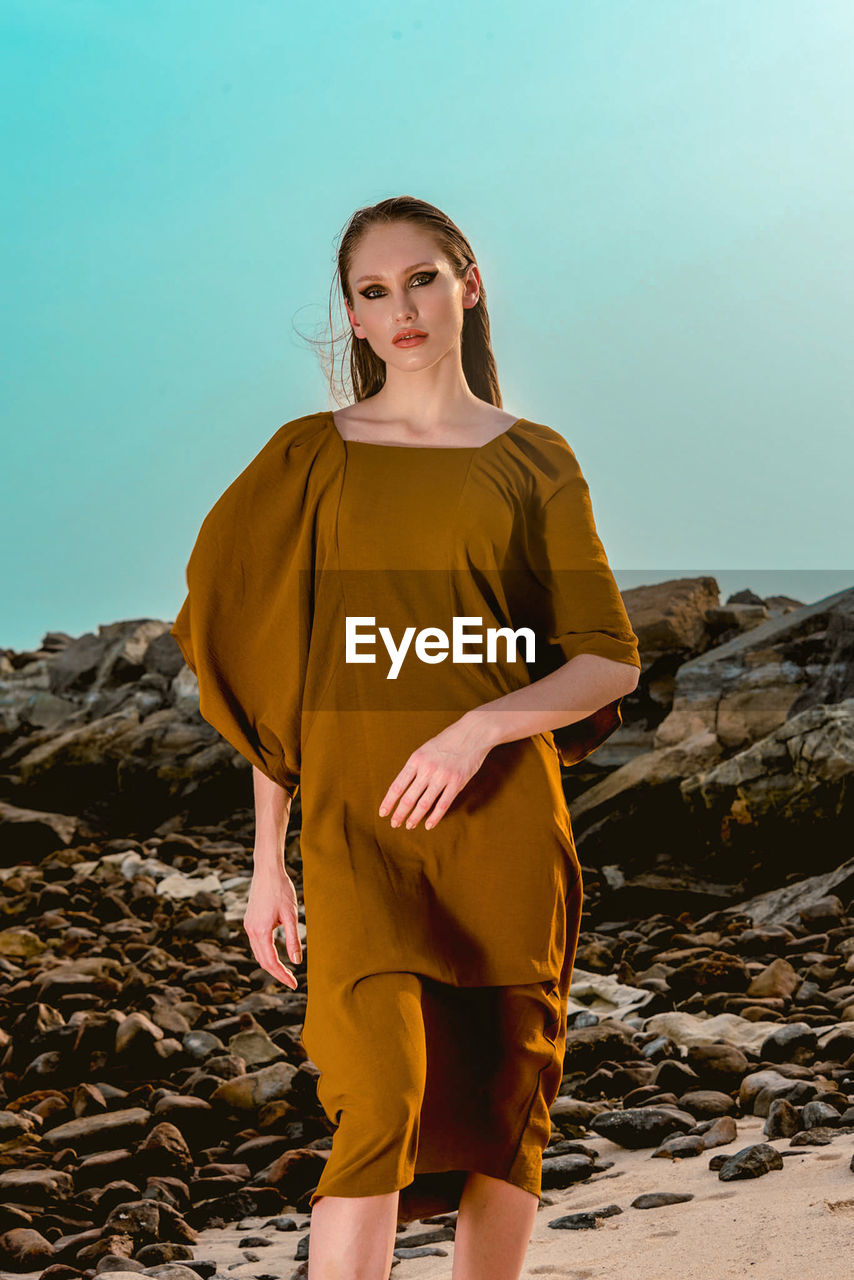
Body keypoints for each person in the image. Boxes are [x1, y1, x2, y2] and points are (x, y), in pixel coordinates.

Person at [171, 194, 641, 1280]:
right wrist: (263, 862)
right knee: (375, 1102)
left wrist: (478, 727)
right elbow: (265, 672)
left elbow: (604, 656)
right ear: (351, 316)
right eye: (372, 292)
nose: (401, 308)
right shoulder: (306, 461)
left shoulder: (533, 459)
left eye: (420, 278)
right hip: (356, 837)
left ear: (467, 283)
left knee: (500, 1111)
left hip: (505, 839)